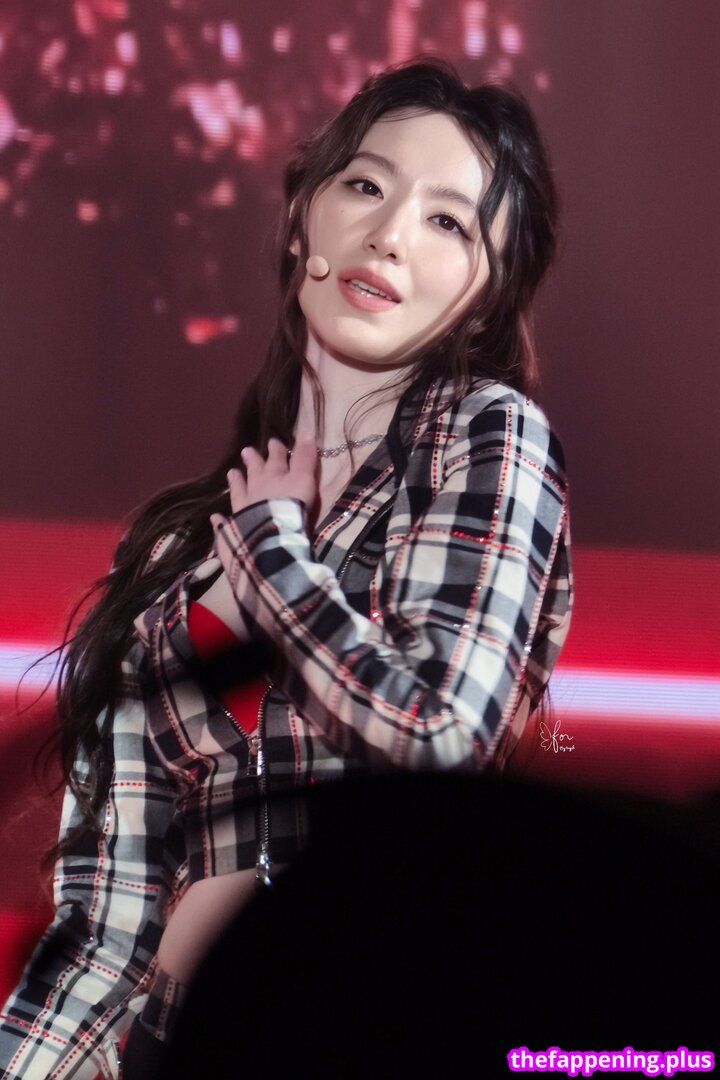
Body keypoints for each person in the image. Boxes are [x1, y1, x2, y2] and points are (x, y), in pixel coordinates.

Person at [0, 58, 572, 1078]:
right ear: (305, 220)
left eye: (448, 221)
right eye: (366, 185)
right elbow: (105, 923)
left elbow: (439, 733)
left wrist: (276, 552)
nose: (389, 234)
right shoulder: (183, 546)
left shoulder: (484, 441)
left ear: (488, 294)